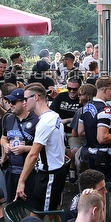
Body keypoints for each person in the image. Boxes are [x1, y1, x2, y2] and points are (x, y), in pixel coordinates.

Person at [17, 83, 69, 213]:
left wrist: (21, 181)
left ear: (35, 97)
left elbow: (33, 154)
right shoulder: (54, 116)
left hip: (49, 174)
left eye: (25, 99)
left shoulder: (45, 122)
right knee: (52, 212)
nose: (24, 103)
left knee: (38, 213)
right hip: (57, 170)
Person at [80, 77, 111, 181]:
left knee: (97, 187)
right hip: (107, 157)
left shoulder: (86, 106)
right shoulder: (105, 110)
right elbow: (102, 138)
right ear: (104, 90)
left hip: (91, 155)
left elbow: (80, 131)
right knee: (110, 189)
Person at [0, 88, 38, 205]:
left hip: (31, 172)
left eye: (14, 102)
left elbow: (43, 147)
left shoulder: (36, 120)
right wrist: (5, 146)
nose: (10, 105)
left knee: (32, 206)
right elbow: (3, 138)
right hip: (12, 170)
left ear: (24, 102)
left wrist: (25, 148)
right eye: (9, 102)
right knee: (12, 205)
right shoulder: (8, 118)